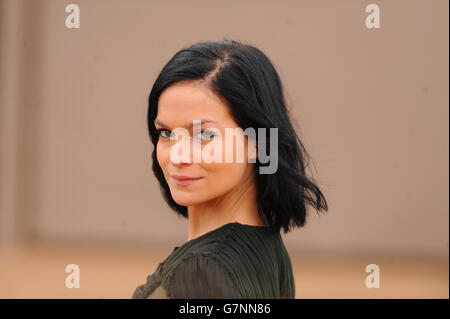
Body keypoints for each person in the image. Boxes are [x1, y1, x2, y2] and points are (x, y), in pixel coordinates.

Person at [131, 39, 328, 299]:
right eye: (166, 133)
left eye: (204, 134)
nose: (177, 156)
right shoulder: (267, 246)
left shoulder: (202, 272)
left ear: (259, 142)